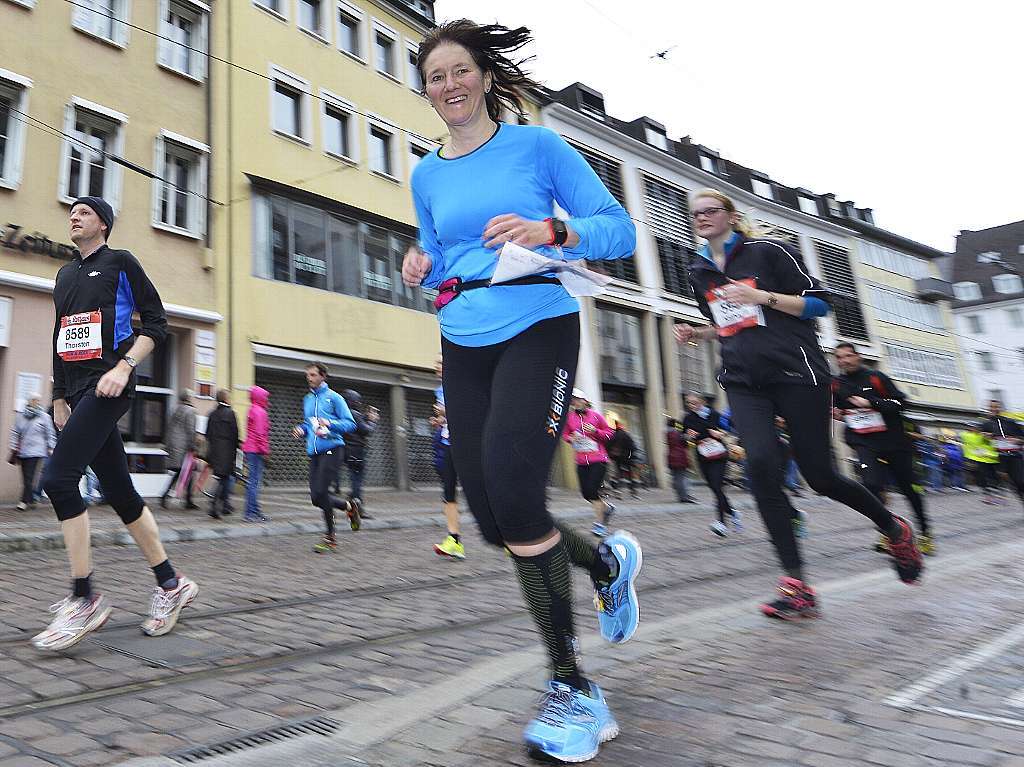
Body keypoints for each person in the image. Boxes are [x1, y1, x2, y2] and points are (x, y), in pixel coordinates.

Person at [403, 20, 641, 763]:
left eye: (459, 71)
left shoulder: (536, 146)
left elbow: (621, 230)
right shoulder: (425, 172)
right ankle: (604, 563)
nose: (449, 87)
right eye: (435, 78)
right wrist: (421, 265)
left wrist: (553, 230)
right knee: (492, 516)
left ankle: (574, 688)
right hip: (463, 334)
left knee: (516, 488)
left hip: (538, 319)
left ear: (484, 75)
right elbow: (443, 255)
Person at [675, 188, 922, 621]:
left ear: (731, 216)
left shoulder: (768, 251)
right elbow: (729, 323)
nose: (702, 218)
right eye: (695, 214)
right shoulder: (698, 269)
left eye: (711, 210)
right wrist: (700, 332)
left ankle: (893, 528)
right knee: (760, 468)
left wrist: (762, 297)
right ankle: (797, 586)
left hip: (798, 372)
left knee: (820, 476)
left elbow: (819, 304)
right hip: (744, 379)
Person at [33, 196, 198, 651]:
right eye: (72, 212)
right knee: (122, 494)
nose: (74, 216)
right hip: (78, 390)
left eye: (84, 212)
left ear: (102, 223)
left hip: (109, 387)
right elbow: (61, 337)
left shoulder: (120, 263)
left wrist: (124, 367)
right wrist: (58, 396)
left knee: (58, 480)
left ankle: (84, 597)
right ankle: (171, 583)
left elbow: (157, 324)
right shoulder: (64, 275)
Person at [832, 342, 933, 554]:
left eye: (848, 356)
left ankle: (925, 533)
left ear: (857, 357)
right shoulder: (836, 384)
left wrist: (872, 403)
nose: (844, 361)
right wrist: (837, 412)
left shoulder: (876, 377)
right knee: (871, 485)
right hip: (864, 442)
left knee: (909, 489)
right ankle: (888, 532)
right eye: (839, 357)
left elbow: (901, 404)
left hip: (894, 442)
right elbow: (837, 407)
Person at [291, 362, 361, 553]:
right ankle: (349, 506)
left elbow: (350, 424)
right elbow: (309, 424)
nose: (309, 378)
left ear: (323, 376)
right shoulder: (307, 399)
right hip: (314, 452)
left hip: (333, 448)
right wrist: (302, 429)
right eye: (308, 375)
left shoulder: (334, 398)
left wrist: (329, 423)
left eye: (313, 375)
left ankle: (330, 538)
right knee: (316, 497)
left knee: (321, 492)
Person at [682, 392, 739, 537]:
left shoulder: (715, 414)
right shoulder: (687, 418)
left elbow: (730, 428)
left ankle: (721, 523)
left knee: (717, 486)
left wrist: (721, 433)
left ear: (702, 402)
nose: (691, 406)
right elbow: (683, 437)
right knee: (714, 488)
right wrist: (688, 437)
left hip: (719, 455)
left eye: (694, 403)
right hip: (702, 456)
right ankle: (732, 513)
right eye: (688, 403)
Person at [565, 390, 616, 537]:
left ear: (585, 401)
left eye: (578, 399)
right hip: (581, 460)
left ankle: (600, 524)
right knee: (586, 493)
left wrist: (595, 431)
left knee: (592, 490)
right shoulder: (569, 418)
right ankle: (606, 507)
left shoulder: (596, 416)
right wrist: (570, 439)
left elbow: (609, 434)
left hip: (598, 460)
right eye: (574, 400)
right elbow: (565, 434)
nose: (576, 402)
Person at [10, 395, 56, 510]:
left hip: (37, 451)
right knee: (26, 477)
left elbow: (49, 433)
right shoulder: (21, 416)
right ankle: (31, 500)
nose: (35, 402)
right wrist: (13, 445)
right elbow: (15, 432)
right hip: (23, 451)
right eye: (33, 400)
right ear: (28, 401)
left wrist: (51, 447)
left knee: (28, 477)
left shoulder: (44, 416)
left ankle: (23, 502)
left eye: (37, 400)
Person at [338, 389, 379, 519]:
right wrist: (372, 420)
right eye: (357, 400)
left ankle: (352, 500)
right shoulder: (354, 414)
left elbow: (356, 427)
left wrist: (365, 417)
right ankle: (356, 509)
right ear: (353, 401)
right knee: (357, 481)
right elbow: (366, 430)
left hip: (346, 450)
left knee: (354, 480)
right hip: (356, 451)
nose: (359, 403)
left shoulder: (342, 414)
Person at [431, 402, 464, 558]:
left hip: (471, 439)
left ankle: (509, 537)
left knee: (485, 489)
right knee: (448, 492)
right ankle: (454, 541)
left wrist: (447, 410)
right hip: (449, 443)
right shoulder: (443, 386)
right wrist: (442, 420)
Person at [980, 398, 1024, 510]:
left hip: (1014, 456)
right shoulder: (986, 424)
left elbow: (1022, 437)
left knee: (1021, 481)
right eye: (992, 407)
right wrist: (986, 437)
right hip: (999, 459)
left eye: (996, 407)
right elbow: (983, 441)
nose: (994, 409)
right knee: (1014, 485)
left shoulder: (1010, 422)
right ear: (989, 408)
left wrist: (1017, 440)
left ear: (1001, 408)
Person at [161, 390, 199, 511]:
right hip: (184, 447)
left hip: (174, 446)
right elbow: (191, 430)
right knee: (188, 471)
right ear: (188, 398)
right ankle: (186, 500)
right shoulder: (191, 411)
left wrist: (167, 446)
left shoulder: (175, 410)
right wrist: (193, 446)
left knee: (181, 472)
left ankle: (169, 496)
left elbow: (169, 428)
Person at [205, 389, 239, 520]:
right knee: (223, 478)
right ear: (225, 399)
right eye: (229, 397)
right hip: (227, 450)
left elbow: (207, 433)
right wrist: (236, 448)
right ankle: (214, 505)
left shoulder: (211, 414)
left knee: (222, 478)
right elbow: (235, 433)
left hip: (214, 450)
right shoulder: (230, 413)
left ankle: (225, 506)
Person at [241, 386, 271, 523]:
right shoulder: (260, 412)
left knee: (252, 482)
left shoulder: (252, 409)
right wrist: (265, 451)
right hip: (256, 450)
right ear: (260, 397)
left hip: (250, 449)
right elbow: (260, 434)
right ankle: (251, 513)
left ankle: (253, 511)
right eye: (265, 397)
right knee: (254, 483)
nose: (267, 399)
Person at [962, 423, 1000, 504]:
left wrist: (990, 437)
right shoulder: (967, 435)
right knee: (981, 479)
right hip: (975, 460)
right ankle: (989, 496)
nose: (973, 429)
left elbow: (994, 446)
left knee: (991, 479)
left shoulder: (987, 438)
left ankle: (994, 496)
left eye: (975, 427)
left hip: (990, 460)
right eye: (971, 427)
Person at [665, 416, 697, 504]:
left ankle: (682, 495)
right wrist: (691, 437)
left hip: (671, 457)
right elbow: (688, 443)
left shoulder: (668, 433)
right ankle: (684, 497)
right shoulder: (677, 433)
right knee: (681, 478)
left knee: (676, 478)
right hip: (680, 457)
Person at [606, 421, 639, 498]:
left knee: (618, 472)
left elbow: (608, 446)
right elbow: (632, 446)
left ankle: (616, 489)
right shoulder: (626, 435)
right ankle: (632, 490)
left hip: (616, 457)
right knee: (630, 473)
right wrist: (632, 455)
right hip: (627, 457)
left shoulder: (613, 435)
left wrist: (610, 456)